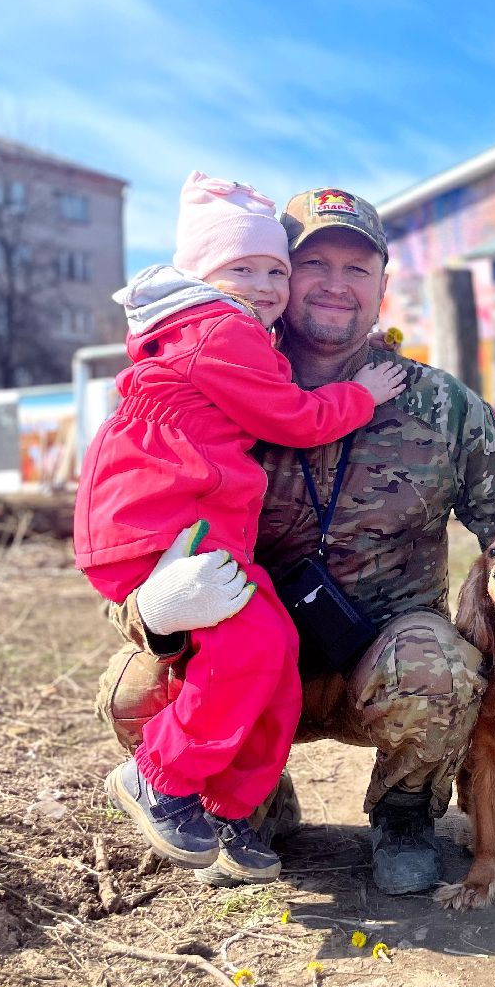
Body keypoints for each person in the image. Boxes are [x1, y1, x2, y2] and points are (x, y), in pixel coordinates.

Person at [95, 186, 495, 892]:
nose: (336, 284)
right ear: (282, 277)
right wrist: (151, 613)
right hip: (246, 650)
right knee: (134, 689)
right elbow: (129, 518)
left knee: (441, 665)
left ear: (382, 287)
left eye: (357, 268)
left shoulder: (441, 406)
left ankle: (404, 816)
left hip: (387, 661)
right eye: (314, 264)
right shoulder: (208, 376)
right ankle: (238, 806)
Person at [75, 172, 407, 884]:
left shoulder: (227, 330)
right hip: (162, 525)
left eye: (273, 271)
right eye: (242, 269)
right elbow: (293, 416)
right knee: (251, 648)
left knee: (273, 649)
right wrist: (359, 395)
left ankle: (231, 810)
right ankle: (159, 777)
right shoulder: (220, 330)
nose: (264, 286)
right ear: (202, 276)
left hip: (195, 525)